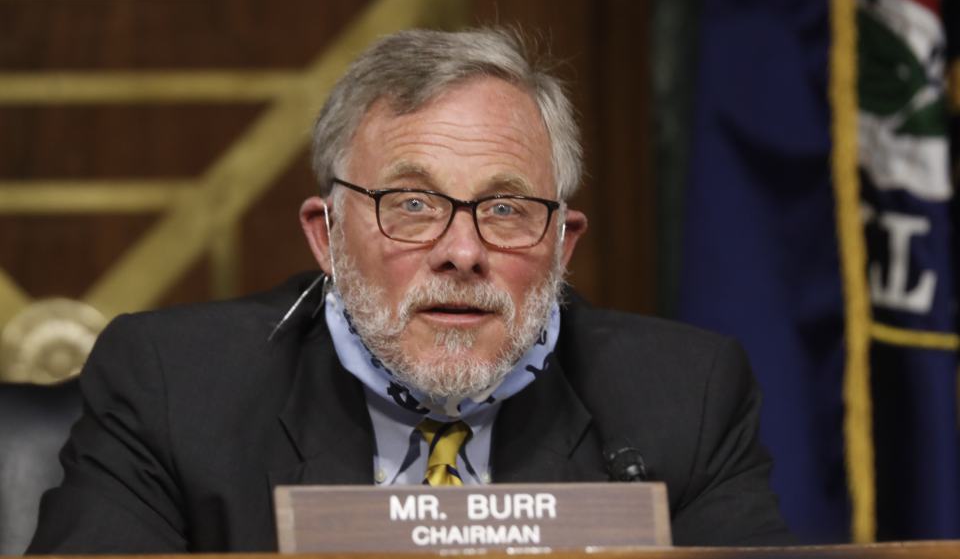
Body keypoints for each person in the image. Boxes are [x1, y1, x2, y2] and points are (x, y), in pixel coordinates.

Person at [28, 28, 794, 553]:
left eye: (505, 209)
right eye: (413, 206)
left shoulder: (685, 396)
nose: (462, 252)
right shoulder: (173, 385)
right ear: (326, 235)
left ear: (562, 243)